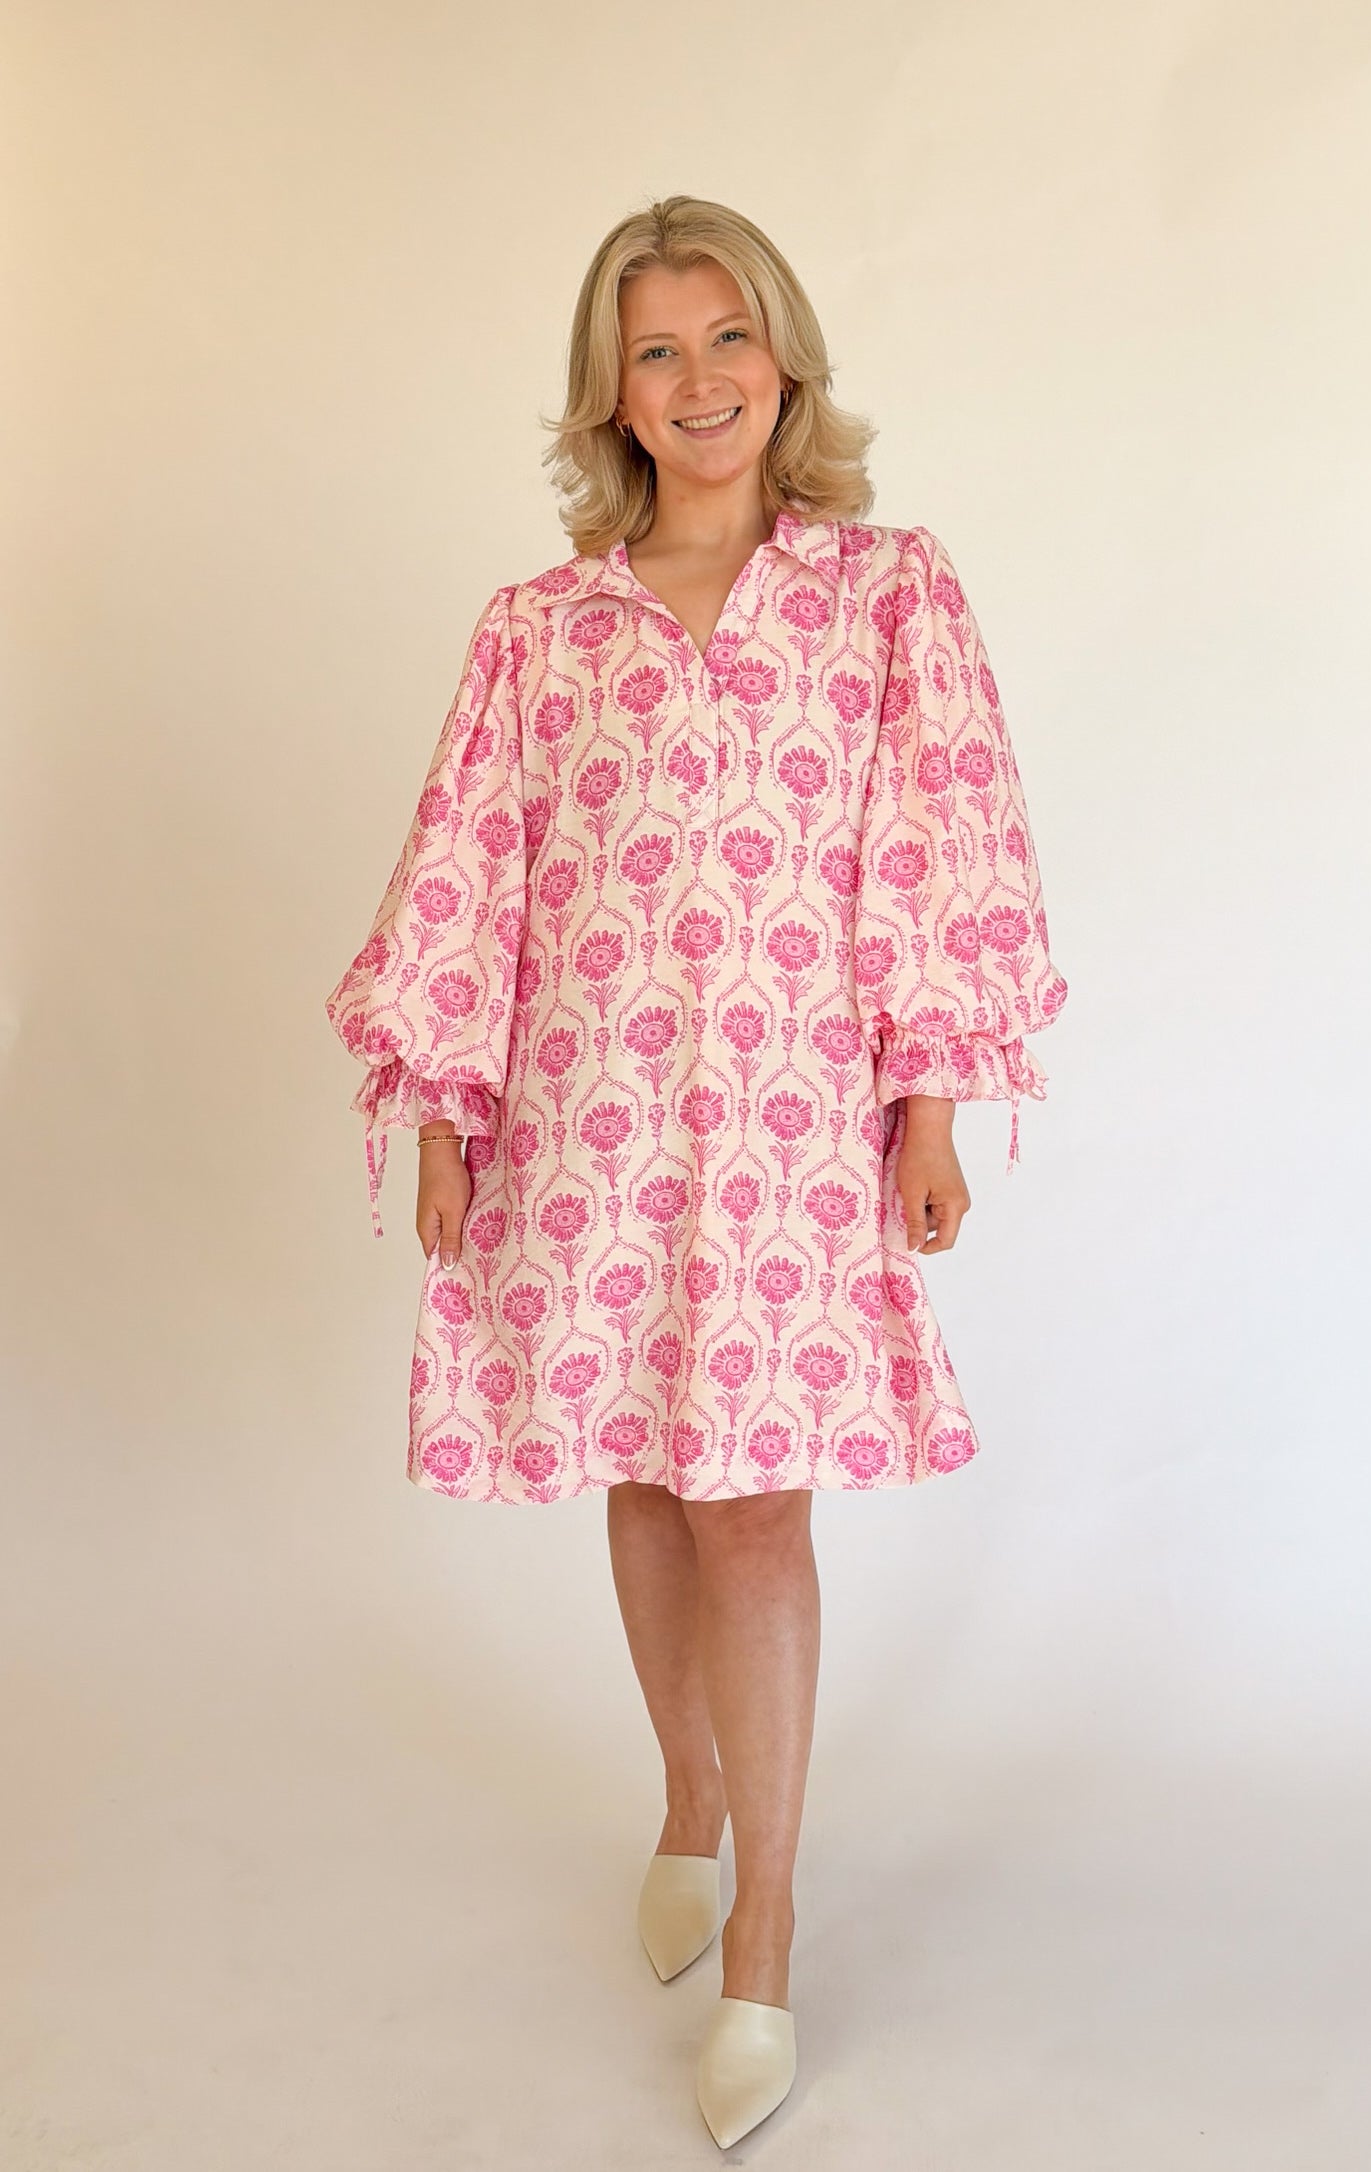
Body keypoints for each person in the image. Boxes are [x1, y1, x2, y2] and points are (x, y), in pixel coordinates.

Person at [323, 193, 1069, 2150]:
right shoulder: (541, 631)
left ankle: (767, 1929)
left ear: (785, 355)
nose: (700, 378)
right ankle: (686, 1794)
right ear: (612, 395)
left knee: (755, 1506)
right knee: (645, 1470)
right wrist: (443, 1112)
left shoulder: (887, 594)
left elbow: (943, 839)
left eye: (727, 335)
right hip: (591, 1115)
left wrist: (928, 1102)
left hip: (795, 1123)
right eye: (655, 350)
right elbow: (472, 864)